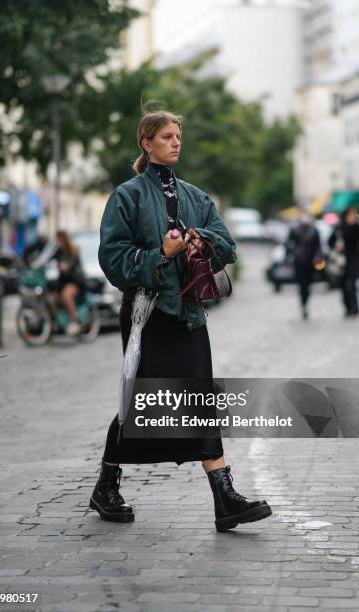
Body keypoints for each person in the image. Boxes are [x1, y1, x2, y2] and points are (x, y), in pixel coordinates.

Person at [89, 109, 272, 532]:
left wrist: (200, 243)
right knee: (141, 404)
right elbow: (112, 258)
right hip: (147, 314)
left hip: (189, 314)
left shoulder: (195, 197)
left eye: (178, 136)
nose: (176, 142)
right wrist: (161, 256)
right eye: (167, 136)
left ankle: (224, 498)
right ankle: (106, 484)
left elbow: (227, 244)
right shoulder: (127, 196)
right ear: (146, 143)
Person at [286, 214, 322, 319]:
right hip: (299, 261)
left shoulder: (314, 231)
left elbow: (318, 246)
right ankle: (303, 303)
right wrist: (291, 254)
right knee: (302, 284)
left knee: (308, 284)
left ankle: (305, 301)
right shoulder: (295, 230)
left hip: (310, 262)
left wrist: (318, 257)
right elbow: (288, 244)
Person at [329, 206, 359, 317]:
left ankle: (355, 307)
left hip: (352, 259)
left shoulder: (356, 227)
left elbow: (357, 239)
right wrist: (336, 246)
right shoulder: (339, 227)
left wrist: (353, 224)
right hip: (341, 261)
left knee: (352, 284)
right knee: (343, 284)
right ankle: (347, 307)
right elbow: (330, 241)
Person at [52, 230, 86, 336]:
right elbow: (49, 258)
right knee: (53, 298)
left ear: (64, 239)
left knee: (66, 295)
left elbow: (72, 264)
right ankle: (55, 324)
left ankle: (74, 322)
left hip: (75, 280)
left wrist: (66, 267)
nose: (58, 242)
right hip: (63, 281)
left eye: (60, 239)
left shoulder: (73, 249)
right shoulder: (58, 251)